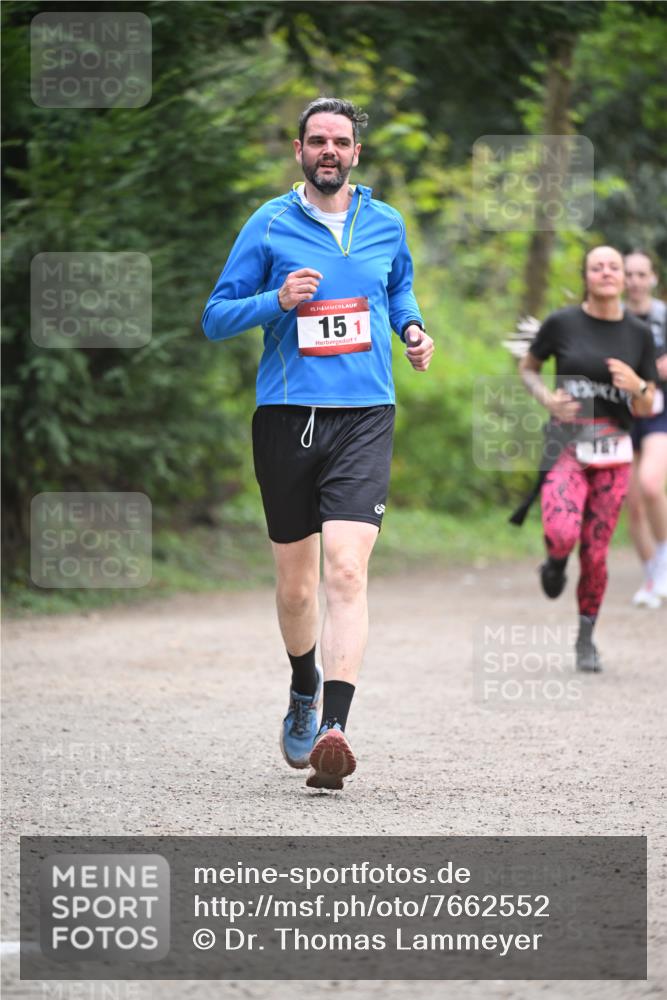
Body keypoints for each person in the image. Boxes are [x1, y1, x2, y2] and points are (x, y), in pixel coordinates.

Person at [202, 97, 434, 790]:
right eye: (316, 140)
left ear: (355, 152)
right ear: (299, 151)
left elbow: (398, 293)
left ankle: (334, 726)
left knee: (346, 571)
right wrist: (273, 301)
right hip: (286, 417)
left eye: (339, 140)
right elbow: (215, 317)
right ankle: (303, 686)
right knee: (297, 586)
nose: (328, 149)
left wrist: (412, 331)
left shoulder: (385, 222)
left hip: (365, 413)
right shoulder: (268, 223)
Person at [518, 245, 657, 671]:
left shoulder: (639, 334)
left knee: (596, 553)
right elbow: (528, 367)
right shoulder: (563, 322)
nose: (607, 273)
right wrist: (546, 398)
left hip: (614, 454)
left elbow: (649, 406)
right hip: (568, 446)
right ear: (586, 276)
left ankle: (586, 636)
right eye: (597, 267)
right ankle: (556, 562)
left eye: (614, 267)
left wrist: (637, 385)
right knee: (562, 533)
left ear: (623, 277)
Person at [623, 251, 667, 608]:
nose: (634, 280)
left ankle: (664, 563)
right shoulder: (611, 317)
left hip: (658, 414)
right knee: (632, 503)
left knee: (652, 486)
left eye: (641, 274)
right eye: (629, 274)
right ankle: (652, 575)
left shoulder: (664, 317)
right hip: (621, 416)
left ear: (652, 278)